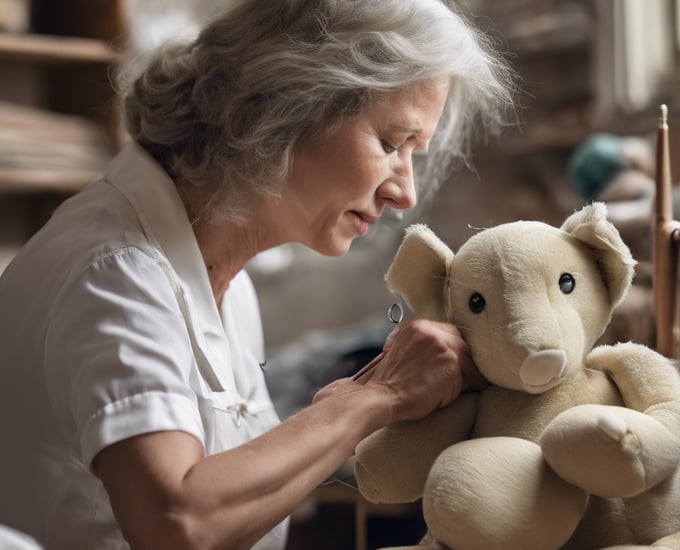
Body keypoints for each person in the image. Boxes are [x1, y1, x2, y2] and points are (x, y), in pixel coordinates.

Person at [0, 0, 516, 548]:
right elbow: (177, 523)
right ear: (286, 103)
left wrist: (378, 392)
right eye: (390, 143)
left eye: (414, 152)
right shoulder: (116, 273)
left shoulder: (224, 280)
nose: (403, 193)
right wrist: (376, 395)